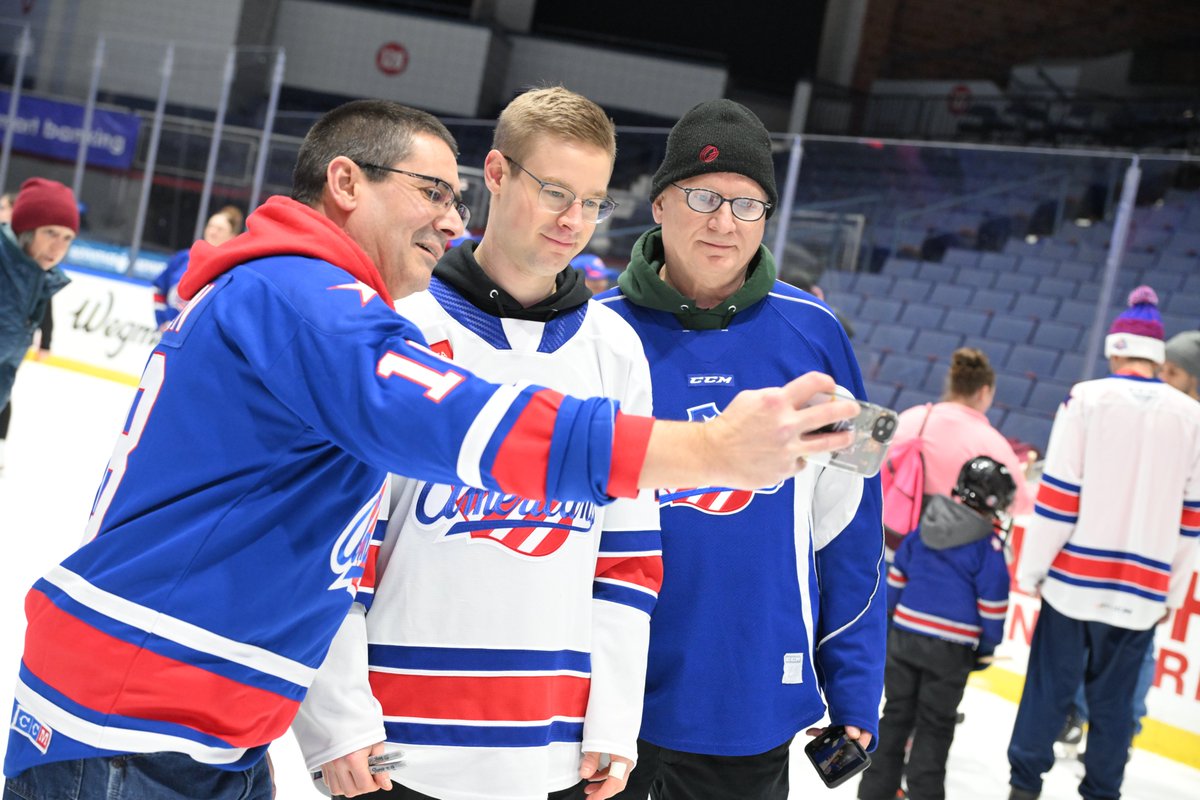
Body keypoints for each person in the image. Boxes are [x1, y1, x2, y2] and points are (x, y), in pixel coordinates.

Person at [1, 99, 860, 800]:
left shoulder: (308, 296)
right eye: (430, 191)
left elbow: (617, 561)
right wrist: (709, 449)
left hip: (212, 724)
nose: (450, 218)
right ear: (346, 181)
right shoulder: (314, 304)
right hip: (137, 722)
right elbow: (463, 428)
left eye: (593, 202)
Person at [293, 87, 656, 800]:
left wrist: (613, 722)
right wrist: (337, 722)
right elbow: (332, 555)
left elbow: (628, 561)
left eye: (593, 200)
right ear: (494, 173)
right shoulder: (396, 325)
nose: (573, 219)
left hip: (554, 754)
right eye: (555, 191)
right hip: (393, 751)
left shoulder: (616, 351)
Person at [599, 99, 885, 800]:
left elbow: (849, 526)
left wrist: (854, 687)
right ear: (661, 203)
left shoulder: (818, 335)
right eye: (703, 197)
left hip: (750, 696)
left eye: (747, 204)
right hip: (601, 698)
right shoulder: (594, 333)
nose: (724, 222)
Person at [1006, 287, 1200, 800]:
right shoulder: (1191, 416)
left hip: (1072, 584)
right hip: (1142, 593)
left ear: (1117, 349)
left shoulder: (1086, 398)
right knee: (1115, 711)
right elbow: (1192, 520)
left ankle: (1023, 789)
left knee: (1047, 695)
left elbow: (1059, 495)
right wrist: (1172, 594)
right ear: (1158, 357)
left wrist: (1031, 570)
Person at [1057, 326, 1200, 753]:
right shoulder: (1160, 416)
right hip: (1123, 554)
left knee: (1135, 649)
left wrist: (1173, 587)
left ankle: (1120, 729)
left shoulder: (1186, 423)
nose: (1163, 376)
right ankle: (1085, 717)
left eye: (1173, 371)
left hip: (1156, 562)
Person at [858, 456, 1016, 800]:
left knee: (895, 715)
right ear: (995, 501)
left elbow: (896, 578)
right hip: (949, 650)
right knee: (935, 725)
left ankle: (873, 792)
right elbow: (993, 604)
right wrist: (988, 647)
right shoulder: (986, 546)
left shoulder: (926, 526)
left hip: (903, 638)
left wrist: (893, 625)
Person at [887, 347, 1033, 550]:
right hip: (947, 551)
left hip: (892, 538)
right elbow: (1019, 504)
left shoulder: (911, 418)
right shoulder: (992, 443)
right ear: (984, 392)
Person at [0, 178, 78, 476]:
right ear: (26, 228)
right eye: (50, 233)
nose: (59, 247)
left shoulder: (38, 279)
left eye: (68, 238)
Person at [152, 204, 244, 328]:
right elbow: (159, 288)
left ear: (233, 236)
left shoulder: (232, 270)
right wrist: (161, 321)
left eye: (220, 229)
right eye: (210, 226)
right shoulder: (183, 258)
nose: (212, 232)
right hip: (167, 338)